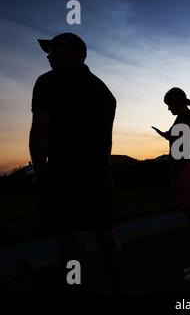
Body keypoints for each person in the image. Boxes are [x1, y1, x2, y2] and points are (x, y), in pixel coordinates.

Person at [29, 32, 123, 292]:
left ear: (74, 52)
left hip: (64, 175)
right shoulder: (105, 92)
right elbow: (106, 139)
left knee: (72, 243)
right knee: (106, 236)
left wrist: (40, 173)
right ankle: (117, 288)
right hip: (99, 175)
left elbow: (40, 131)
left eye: (54, 49)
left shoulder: (48, 82)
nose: (49, 55)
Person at [152, 87, 190, 281]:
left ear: (177, 101)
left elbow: (182, 149)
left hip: (186, 170)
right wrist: (166, 135)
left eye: (169, 105)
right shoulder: (188, 117)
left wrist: (173, 173)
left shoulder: (184, 118)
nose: (169, 109)